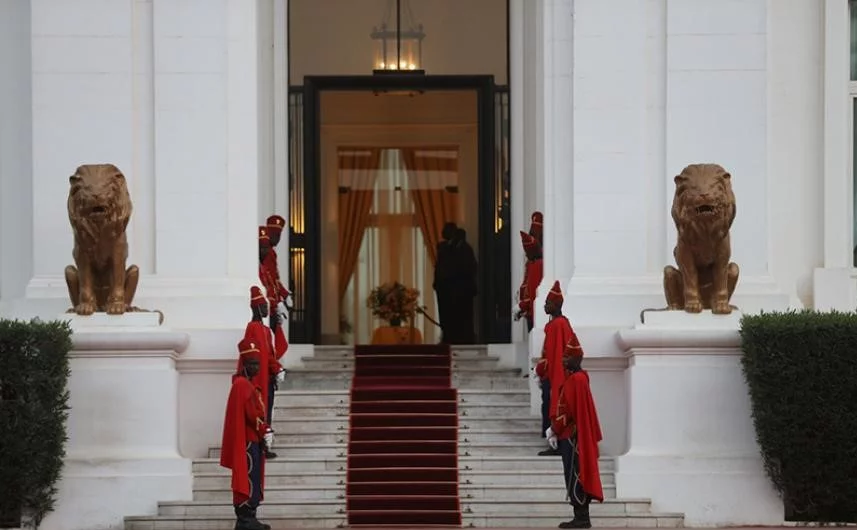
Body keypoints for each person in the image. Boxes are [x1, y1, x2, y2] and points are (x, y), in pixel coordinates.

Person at [546, 339, 604, 529]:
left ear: (576, 359)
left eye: (566, 357)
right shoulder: (579, 378)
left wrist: (554, 429)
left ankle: (582, 517)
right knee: (575, 473)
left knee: (574, 474)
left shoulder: (576, 380)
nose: (562, 360)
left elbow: (568, 411)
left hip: (572, 437)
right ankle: (581, 516)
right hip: (573, 436)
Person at [220, 338, 275, 530]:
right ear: (244, 364)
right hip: (248, 440)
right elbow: (253, 414)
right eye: (252, 364)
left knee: (252, 476)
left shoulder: (243, 384)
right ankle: (245, 519)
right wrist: (265, 430)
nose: (256, 368)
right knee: (250, 477)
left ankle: (248, 518)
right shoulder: (243, 385)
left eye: (258, 364)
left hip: (251, 439)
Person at [238, 286, 284, 459]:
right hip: (258, 377)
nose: (266, 309)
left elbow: (269, 354)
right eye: (264, 306)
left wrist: (276, 369)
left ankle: (266, 443)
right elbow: (252, 355)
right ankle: (261, 444)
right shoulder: (253, 328)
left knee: (267, 409)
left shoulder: (266, 331)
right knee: (259, 409)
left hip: (268, 377)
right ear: (256, 307)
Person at [533, 280, 573, 455]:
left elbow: (550, 354)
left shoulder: (557, 325)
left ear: (556, 305)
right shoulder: (558, 324)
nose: (544, 306)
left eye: (548, 303)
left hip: (555, 375)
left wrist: (540, 370)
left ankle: (556, 443)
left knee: (553, 405)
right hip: (553, 373)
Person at [433, 223, 478, 344]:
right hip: (445, 290)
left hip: (460, 290)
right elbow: (439, 268)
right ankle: (448, 336)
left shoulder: (463, 248)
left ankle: (462, 337)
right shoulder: (444, 248)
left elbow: (470, 267)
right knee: (447, 317)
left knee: (461, 317)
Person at [260, 220, 293, 329]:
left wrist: (284, 294)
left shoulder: (271, 252)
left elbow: (275, 280)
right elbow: (269, 280)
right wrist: (277, 302)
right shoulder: (268, 253)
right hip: (269, 302)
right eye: (276, 235)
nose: (278, 239)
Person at [516, 231, 543, 332]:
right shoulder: (533, 264)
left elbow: (531, 289)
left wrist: (521, 306)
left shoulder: (537, 265)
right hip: (529, 309)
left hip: (532, 311)